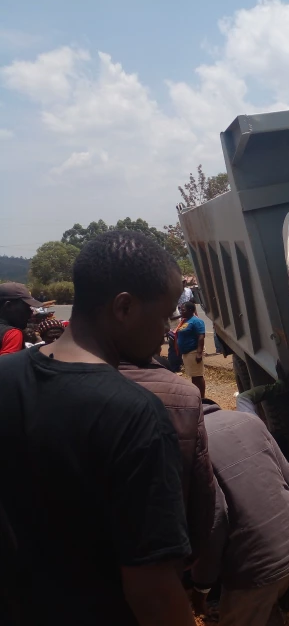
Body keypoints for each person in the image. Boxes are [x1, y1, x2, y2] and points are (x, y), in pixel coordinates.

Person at [0, 230, 195, 626]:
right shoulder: (135, 415)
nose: (166, 330)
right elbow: (151, 588)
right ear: (123, 308)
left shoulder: (5, 376)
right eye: (164, 315)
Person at [191, 385, 289, 626]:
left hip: (254, 572)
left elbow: (215, 521)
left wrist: (201, 588)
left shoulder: (195, 446)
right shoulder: (250, 420)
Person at [119, 356, 217, 563]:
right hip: (169, 542)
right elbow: (203, 487)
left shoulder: (78, 390)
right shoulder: (185, 394)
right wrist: (193, 554)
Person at [0, 282, 40, 356]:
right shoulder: (12, 334)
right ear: (8, 306)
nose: (31, 311)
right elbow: (7, 366)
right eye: (26, 307)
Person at [177, 301, 206, 397]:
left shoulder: (196, 321)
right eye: (180, 309)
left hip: (193, 352)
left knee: (198, 376)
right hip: (186, 353)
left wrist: (199, 353)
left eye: (183, 309)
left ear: (190, 310)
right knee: (194, 376)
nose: (181, 311)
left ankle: (202, 398)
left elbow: (201, 337)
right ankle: (196, 396)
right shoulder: (185, 320)